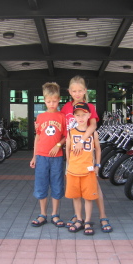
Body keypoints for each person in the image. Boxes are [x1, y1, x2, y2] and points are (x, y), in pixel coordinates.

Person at [60, 75, 113, 233]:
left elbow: (93, 126)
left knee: (94, 188)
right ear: (70, 92)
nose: (77, 93)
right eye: (74, 91)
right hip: (74, 158)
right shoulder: (66, 108)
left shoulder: (90, 106)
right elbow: (65, 131)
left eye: (80, 91)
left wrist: (82, 141)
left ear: (85, 91)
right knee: (76, 189)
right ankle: (78, 217)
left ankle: (102, 215)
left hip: (87, 155)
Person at [30, 82, 67, 227]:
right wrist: (34, 156)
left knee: (57, 185)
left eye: (55, 100)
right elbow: (37, 137)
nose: (52, 103)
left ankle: (55, 214)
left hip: (57, 157)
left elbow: (66, 136)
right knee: (41, 185)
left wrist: (58, 145)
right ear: (44, 100)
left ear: (59, 99)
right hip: (42, 156)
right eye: (49, 101)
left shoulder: (62, 117)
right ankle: (42, 214)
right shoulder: (40, 117)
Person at [65, 102, 101, 235]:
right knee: (76, 197)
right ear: (73, 116)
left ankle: (87, 221)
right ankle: (79, 219)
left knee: (88, 197)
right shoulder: (70, 132)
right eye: (77, 115)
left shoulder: (93, 133)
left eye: (83, 115)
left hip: (88, 171)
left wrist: (97, 165)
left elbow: (98, 150)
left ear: (89, 115)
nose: (80, 118)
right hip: (73, 171)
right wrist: (69, 165)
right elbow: (67, 150)